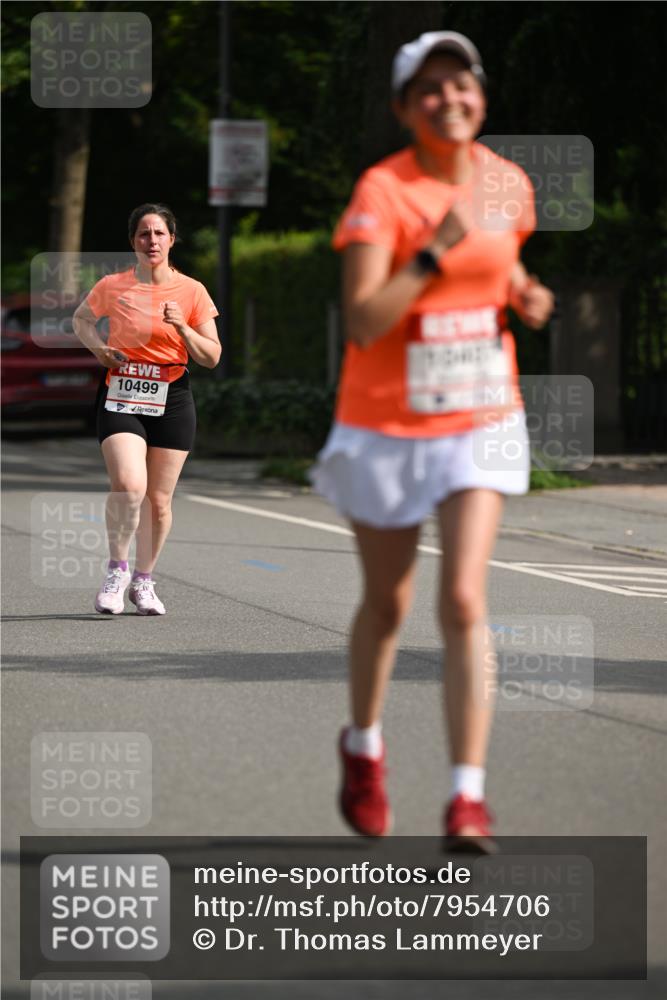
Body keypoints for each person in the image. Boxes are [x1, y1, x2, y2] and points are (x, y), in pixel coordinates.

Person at [312, 32, 554, 849]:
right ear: (403, 108)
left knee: (462, 600)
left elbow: (500, 266)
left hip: (479, 413)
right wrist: (432, 252)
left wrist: (521, 291)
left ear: (480, 97)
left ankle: (466, 797)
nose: (449, 100)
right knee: (389, 605)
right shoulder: (384, 192)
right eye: (430, 90)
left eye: (462, 86)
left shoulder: (509, 186)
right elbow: (366, 318)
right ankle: (363, 747)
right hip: (384, 423)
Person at [73, 203, 220, 616]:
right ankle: (116, 572)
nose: (151, 241)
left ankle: (144, 581)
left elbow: (211, 357)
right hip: (122, 393)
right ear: (133, 241)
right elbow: (82, 319)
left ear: (172, 240)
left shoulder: (192, 291)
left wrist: (183, 327)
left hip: (172, 397)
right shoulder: (112, 285)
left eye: (159, 233)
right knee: (128, 484)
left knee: (158, 501)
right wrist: (100, 350)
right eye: (143, 233)